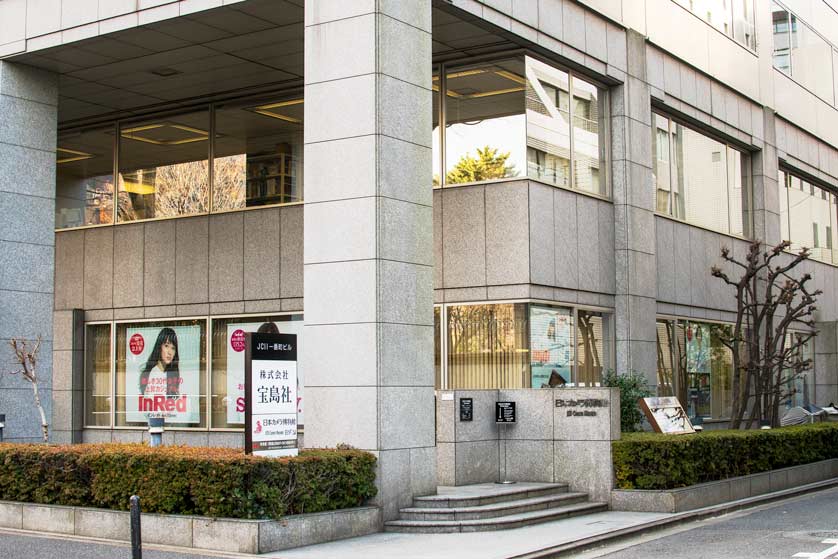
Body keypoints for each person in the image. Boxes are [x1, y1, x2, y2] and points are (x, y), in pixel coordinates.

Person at [139, 327, 181, 398]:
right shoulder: (154, 373)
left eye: (173, 348)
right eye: (166, 346)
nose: (170, 352)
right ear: (159, 347)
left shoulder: (170, 373)